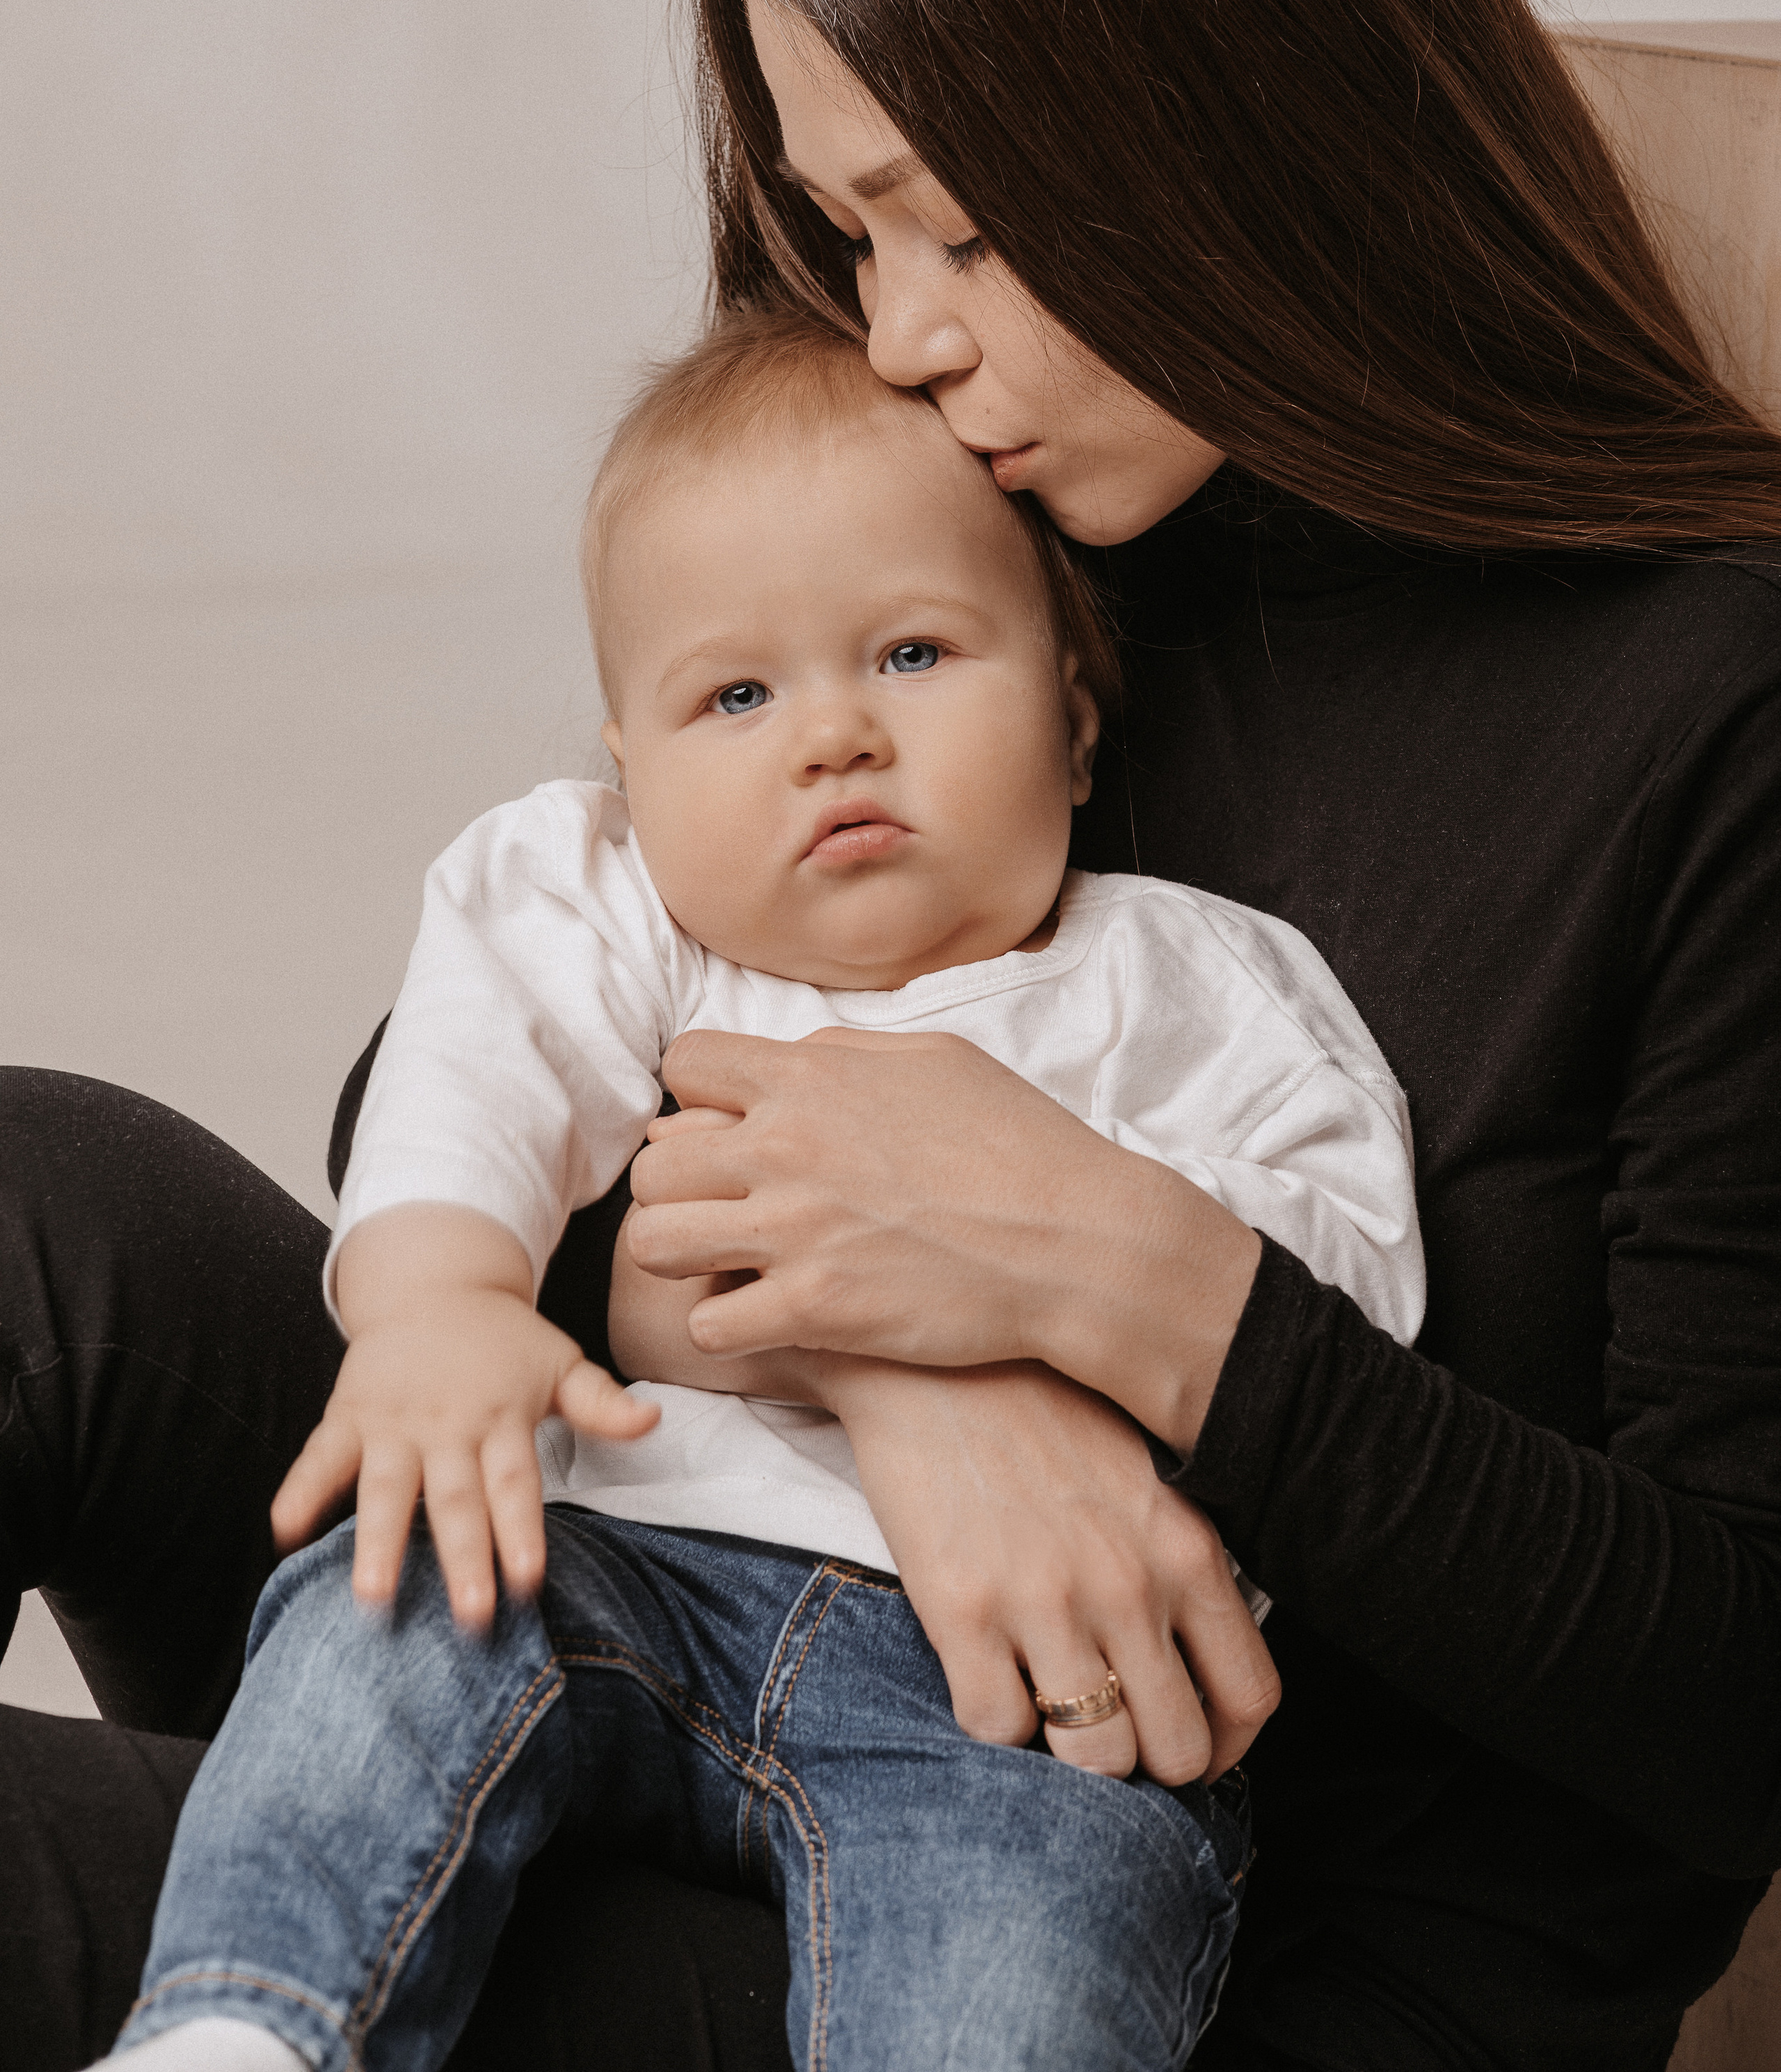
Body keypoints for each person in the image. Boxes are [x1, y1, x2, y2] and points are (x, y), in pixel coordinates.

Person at [4, 0, 1780, 2072]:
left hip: (1131, 1910)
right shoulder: (1043, 515)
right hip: (658, 1606)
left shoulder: (1715, 708)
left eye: (967, 220)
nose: (902, 329)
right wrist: (916, 1358)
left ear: (1252, 120)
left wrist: (1135, 1297)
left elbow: (1737, 1693)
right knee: (38, 1196)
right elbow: (517, 1004)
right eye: (857, 230)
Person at [108, 312, 1423, 2072]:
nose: (832, 738)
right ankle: (243, 2030)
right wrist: (437, 1300)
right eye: (736, 694)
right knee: (394, 1605)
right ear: (630, 774)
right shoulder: (615, 911)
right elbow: (468, 1071)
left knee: (1030, 1947)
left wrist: (1044, 1304)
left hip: (1016, 1699)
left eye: (910, 650)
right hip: (610, 1551)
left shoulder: (1193, 983)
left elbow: (1335, 1314)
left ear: (1077, 718)